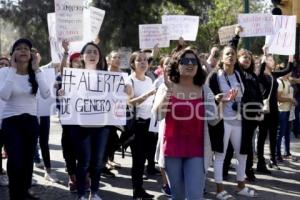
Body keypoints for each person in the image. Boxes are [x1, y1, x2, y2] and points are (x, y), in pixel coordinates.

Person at [152, 48, 217, 199]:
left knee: (195, 196)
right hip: (171, 150)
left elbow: (213, 120)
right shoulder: (166, 87)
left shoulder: (204, 90)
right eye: (185, 61)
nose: (190, 64)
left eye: (193, 61)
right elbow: (158, 115)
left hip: (197, 150)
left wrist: (223, 104)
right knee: (178, 196)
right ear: (176, 65)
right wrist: (169, 91)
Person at [0, 38, 50, 200]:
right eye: (19, 48)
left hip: (30, 122)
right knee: (16, 160)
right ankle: (15, 195)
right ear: (12, 53)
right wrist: (13, 70)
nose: (23, 51)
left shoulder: (35, 73)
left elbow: (46, 94)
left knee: (28, 160)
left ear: (31, 54)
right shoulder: (4, 72)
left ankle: (24, 191)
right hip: (11, 122)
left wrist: (37, 70)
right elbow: (5, 95)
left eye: (26, 49)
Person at [208, 45, 257, 199]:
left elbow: (245, 95)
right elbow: (210, 99)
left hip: (239, 120)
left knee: (242, 154)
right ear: (222, 58)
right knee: (221, 155)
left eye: (233, 54)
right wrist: (219, 99)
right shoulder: (215, 76)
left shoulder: (239, 74)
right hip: (222, 121)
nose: (231, 56)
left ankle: (241, 186)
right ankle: (219, 190)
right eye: (227, 54)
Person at [223, 27, 263, 182]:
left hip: (251, 115)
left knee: (247, 145)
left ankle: (248, 171)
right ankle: (225, 169)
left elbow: (258, 96)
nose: (246, 60)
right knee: (231, 145)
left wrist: (259, 110)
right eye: (243, 57)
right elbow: (231, 49)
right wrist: (236, 35)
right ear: (237, 60)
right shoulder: (237, 72)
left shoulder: (253, 75)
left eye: (248, 58)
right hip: (238, 114)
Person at [71, 42, 109, 200]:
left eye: (95, 52)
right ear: (82, 56)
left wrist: (124, 93)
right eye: (89, 52)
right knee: (84, 161)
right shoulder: (74, 76)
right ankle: (81, 194)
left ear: (99, 56)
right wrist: (63, 92)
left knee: (98, 162)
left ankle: (94, 192)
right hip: (82, 125)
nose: (93, 55)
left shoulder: (108, 77)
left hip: (102, 125)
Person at [257, 46, 294, 173]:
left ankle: (273, 159)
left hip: (274, 110)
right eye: (271, 60)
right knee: (262, 136)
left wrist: (290, 56)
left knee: (273, 136)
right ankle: (260, 162)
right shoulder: (260, 74)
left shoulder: (274, 74)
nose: (274, 62)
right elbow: (260, 70)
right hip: (264, 110)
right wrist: (265, 54)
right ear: (266, 62)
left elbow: (288, 69)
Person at [125, 50, 156, 199]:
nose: (143, 63)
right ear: (133, 64)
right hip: (137, 125)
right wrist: (147, 95)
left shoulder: (150, 80)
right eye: (139, 60)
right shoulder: (129, 81)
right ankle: (137, 191)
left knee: (144, 158)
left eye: (145, 60)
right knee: (138, 159)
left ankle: (140, 189)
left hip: (149, 124)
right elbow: (129, 102)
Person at [276, 71, 296, 161]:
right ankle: (277, 154)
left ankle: (286, 153)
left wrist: (293, 100)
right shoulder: (279, 81)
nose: (291, 72)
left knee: (287, 133)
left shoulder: (288, 80)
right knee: (280, 134)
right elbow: (278, 98)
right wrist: (290, 99)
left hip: (289, 110)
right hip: (281, 111)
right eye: (289, 70)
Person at [0, 55, 9, 187]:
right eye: (0, 64)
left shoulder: (15, 79)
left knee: (11, 151)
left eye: (5, 64)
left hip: (11, 121)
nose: (3, 66)